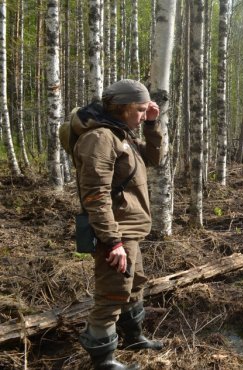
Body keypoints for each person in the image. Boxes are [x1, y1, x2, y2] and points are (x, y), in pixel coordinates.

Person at [68, 79, 164, 370]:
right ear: (121, 108)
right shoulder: (100, 138)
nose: (141, 114)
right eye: (139, 109)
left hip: (129, 231)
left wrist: (150, 125)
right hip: (116, 233)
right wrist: (113, 242)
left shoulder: (121, 132)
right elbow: (95, 196)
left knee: (133, 287)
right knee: (111, 296)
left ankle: (133, 338)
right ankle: (104, 361)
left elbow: (154, 159)